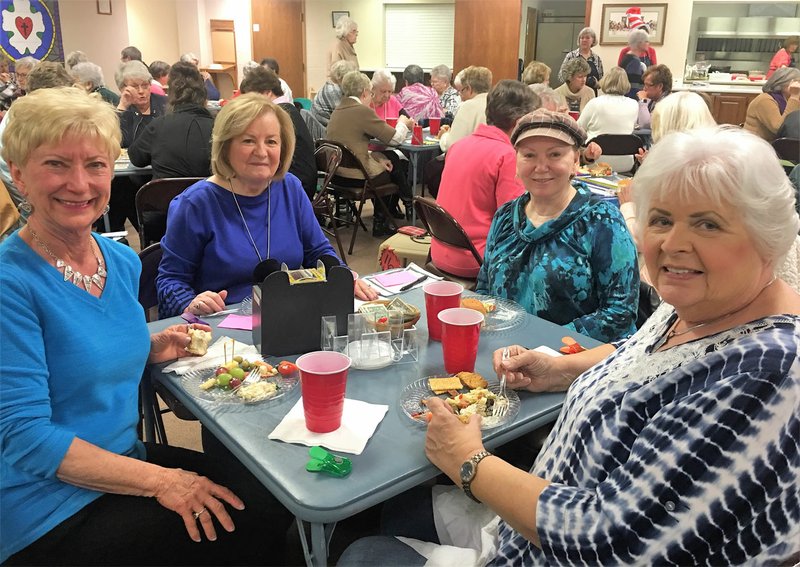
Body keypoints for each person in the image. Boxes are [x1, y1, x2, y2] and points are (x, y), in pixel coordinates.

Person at [338, 126, 800, 567]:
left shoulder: (768, 375)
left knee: (358, 552)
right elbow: (641, 350)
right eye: (661, 219)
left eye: (708, 225)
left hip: (560, 548)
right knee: (375, 513)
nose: (675, 243)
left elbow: (613, 542)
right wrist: (560, 368)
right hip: (531, 520)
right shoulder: (701, 303)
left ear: (769, 236)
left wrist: (468, 462)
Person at [0, 86, 294, 565]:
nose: (80, 183)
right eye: (56, 164)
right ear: (18, 173)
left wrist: (148, 346)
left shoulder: (118, 261)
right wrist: (165, 482)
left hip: (123, 457)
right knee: (249, 528)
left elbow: (84, 352)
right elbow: (24, 437)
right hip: (46, 505)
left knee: (270, 494)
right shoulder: (10, 283)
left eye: (95, 165)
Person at [157, 93, 377, 317]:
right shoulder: (195, 204)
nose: (261, 152)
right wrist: (191, 303)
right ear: (225, 146)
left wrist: (343, 276)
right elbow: (170, 281)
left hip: (285, 317)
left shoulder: (290, 188)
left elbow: (318, 251)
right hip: (221, 325)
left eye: (271, 141)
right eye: (248, 140)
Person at [476, 109, 639, 342]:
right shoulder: (505, 217)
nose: (541, 167)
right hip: (507, 353)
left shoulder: (602, 222)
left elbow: (620, 313)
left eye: (554, 155)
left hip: (576, 362)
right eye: (529, 155)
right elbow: (485, 289)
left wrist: (542, 342)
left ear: (575, 161)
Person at [431, 81, 538, 278]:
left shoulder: (459, 146)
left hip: (439, 251)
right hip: (476, 259)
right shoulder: (507, 156)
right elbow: (514, 222)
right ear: (519, 121)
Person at [326, 71, 415, 236]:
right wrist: (402, 122)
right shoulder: (361, 111)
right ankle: (386, 219)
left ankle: (399, 209)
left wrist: (377, 158)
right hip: (356, 177)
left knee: (389, 159)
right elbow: (395, 139)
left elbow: (350, 145)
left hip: (336, 175)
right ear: (365, 92)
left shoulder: (338, 110)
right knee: (395, 166)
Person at [240, 66, 317, 201]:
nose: (250, 104)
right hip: (302, 181)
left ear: (268, 93)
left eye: (251, 98)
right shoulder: (288, 110)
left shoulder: (277, 116)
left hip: (296, 187)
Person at [128, 61, 213, 179]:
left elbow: (136, 158)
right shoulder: (217, 128)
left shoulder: (158, 126)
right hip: (207, 196)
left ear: (172, 95)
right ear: (203, 95)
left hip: (165, 196)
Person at [577, 66, 639, 173]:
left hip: (595, 161)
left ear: (606, 81)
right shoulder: (634, 104)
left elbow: (578, 131)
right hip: (626, 163)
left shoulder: (595, 103)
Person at [115, 60, 168, 148]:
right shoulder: (118, 108)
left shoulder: (165, 103)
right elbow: (119, 143)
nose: (141, 91)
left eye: (145, 85)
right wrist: (122, 108)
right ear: (122, 88)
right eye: (135, 86)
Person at [438, 66, 492, 152]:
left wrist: (444, 136)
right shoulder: (496, 103)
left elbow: (452, 145)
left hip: (473, 159)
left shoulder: (467, 106)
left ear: (469, 89)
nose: (460, 96)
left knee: (431, 164)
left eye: (461, 91)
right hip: (493, 158)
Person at [744, 67, 800, 142]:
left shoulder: (787, 99)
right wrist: (794, 97)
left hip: (775, 145)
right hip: (756, 145)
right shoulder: (764, 100)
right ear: (782, 83)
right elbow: (779, 128)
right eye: (797, 82)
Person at [311, 59, 357, 127]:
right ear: (342, 77)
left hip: (323, 126)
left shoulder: (329, 86)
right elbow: (345, 115)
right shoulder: (333, 91)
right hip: (325, 130)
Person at [558, 27, 604, 92]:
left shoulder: (597, 59)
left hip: (590, 95)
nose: (584, 40)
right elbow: (561, 77)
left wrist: (596, 84)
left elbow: (602, 82)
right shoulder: (571, 56)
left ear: (593, 41)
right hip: (572, 95)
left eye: (587, 38)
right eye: (582, 38)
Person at [619, 29, 655, 98]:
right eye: (646, 41)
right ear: (639, 43)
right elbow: (633, 89)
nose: (648, 44)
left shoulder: (628, 58)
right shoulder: (634, 62)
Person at [636, 63, 672, 129]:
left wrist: (643, 101)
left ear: (660, 86)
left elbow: (645, 124)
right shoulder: (653, 100)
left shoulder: (667, 104)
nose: (644, 89)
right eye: (644, 85)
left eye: (648, 85)